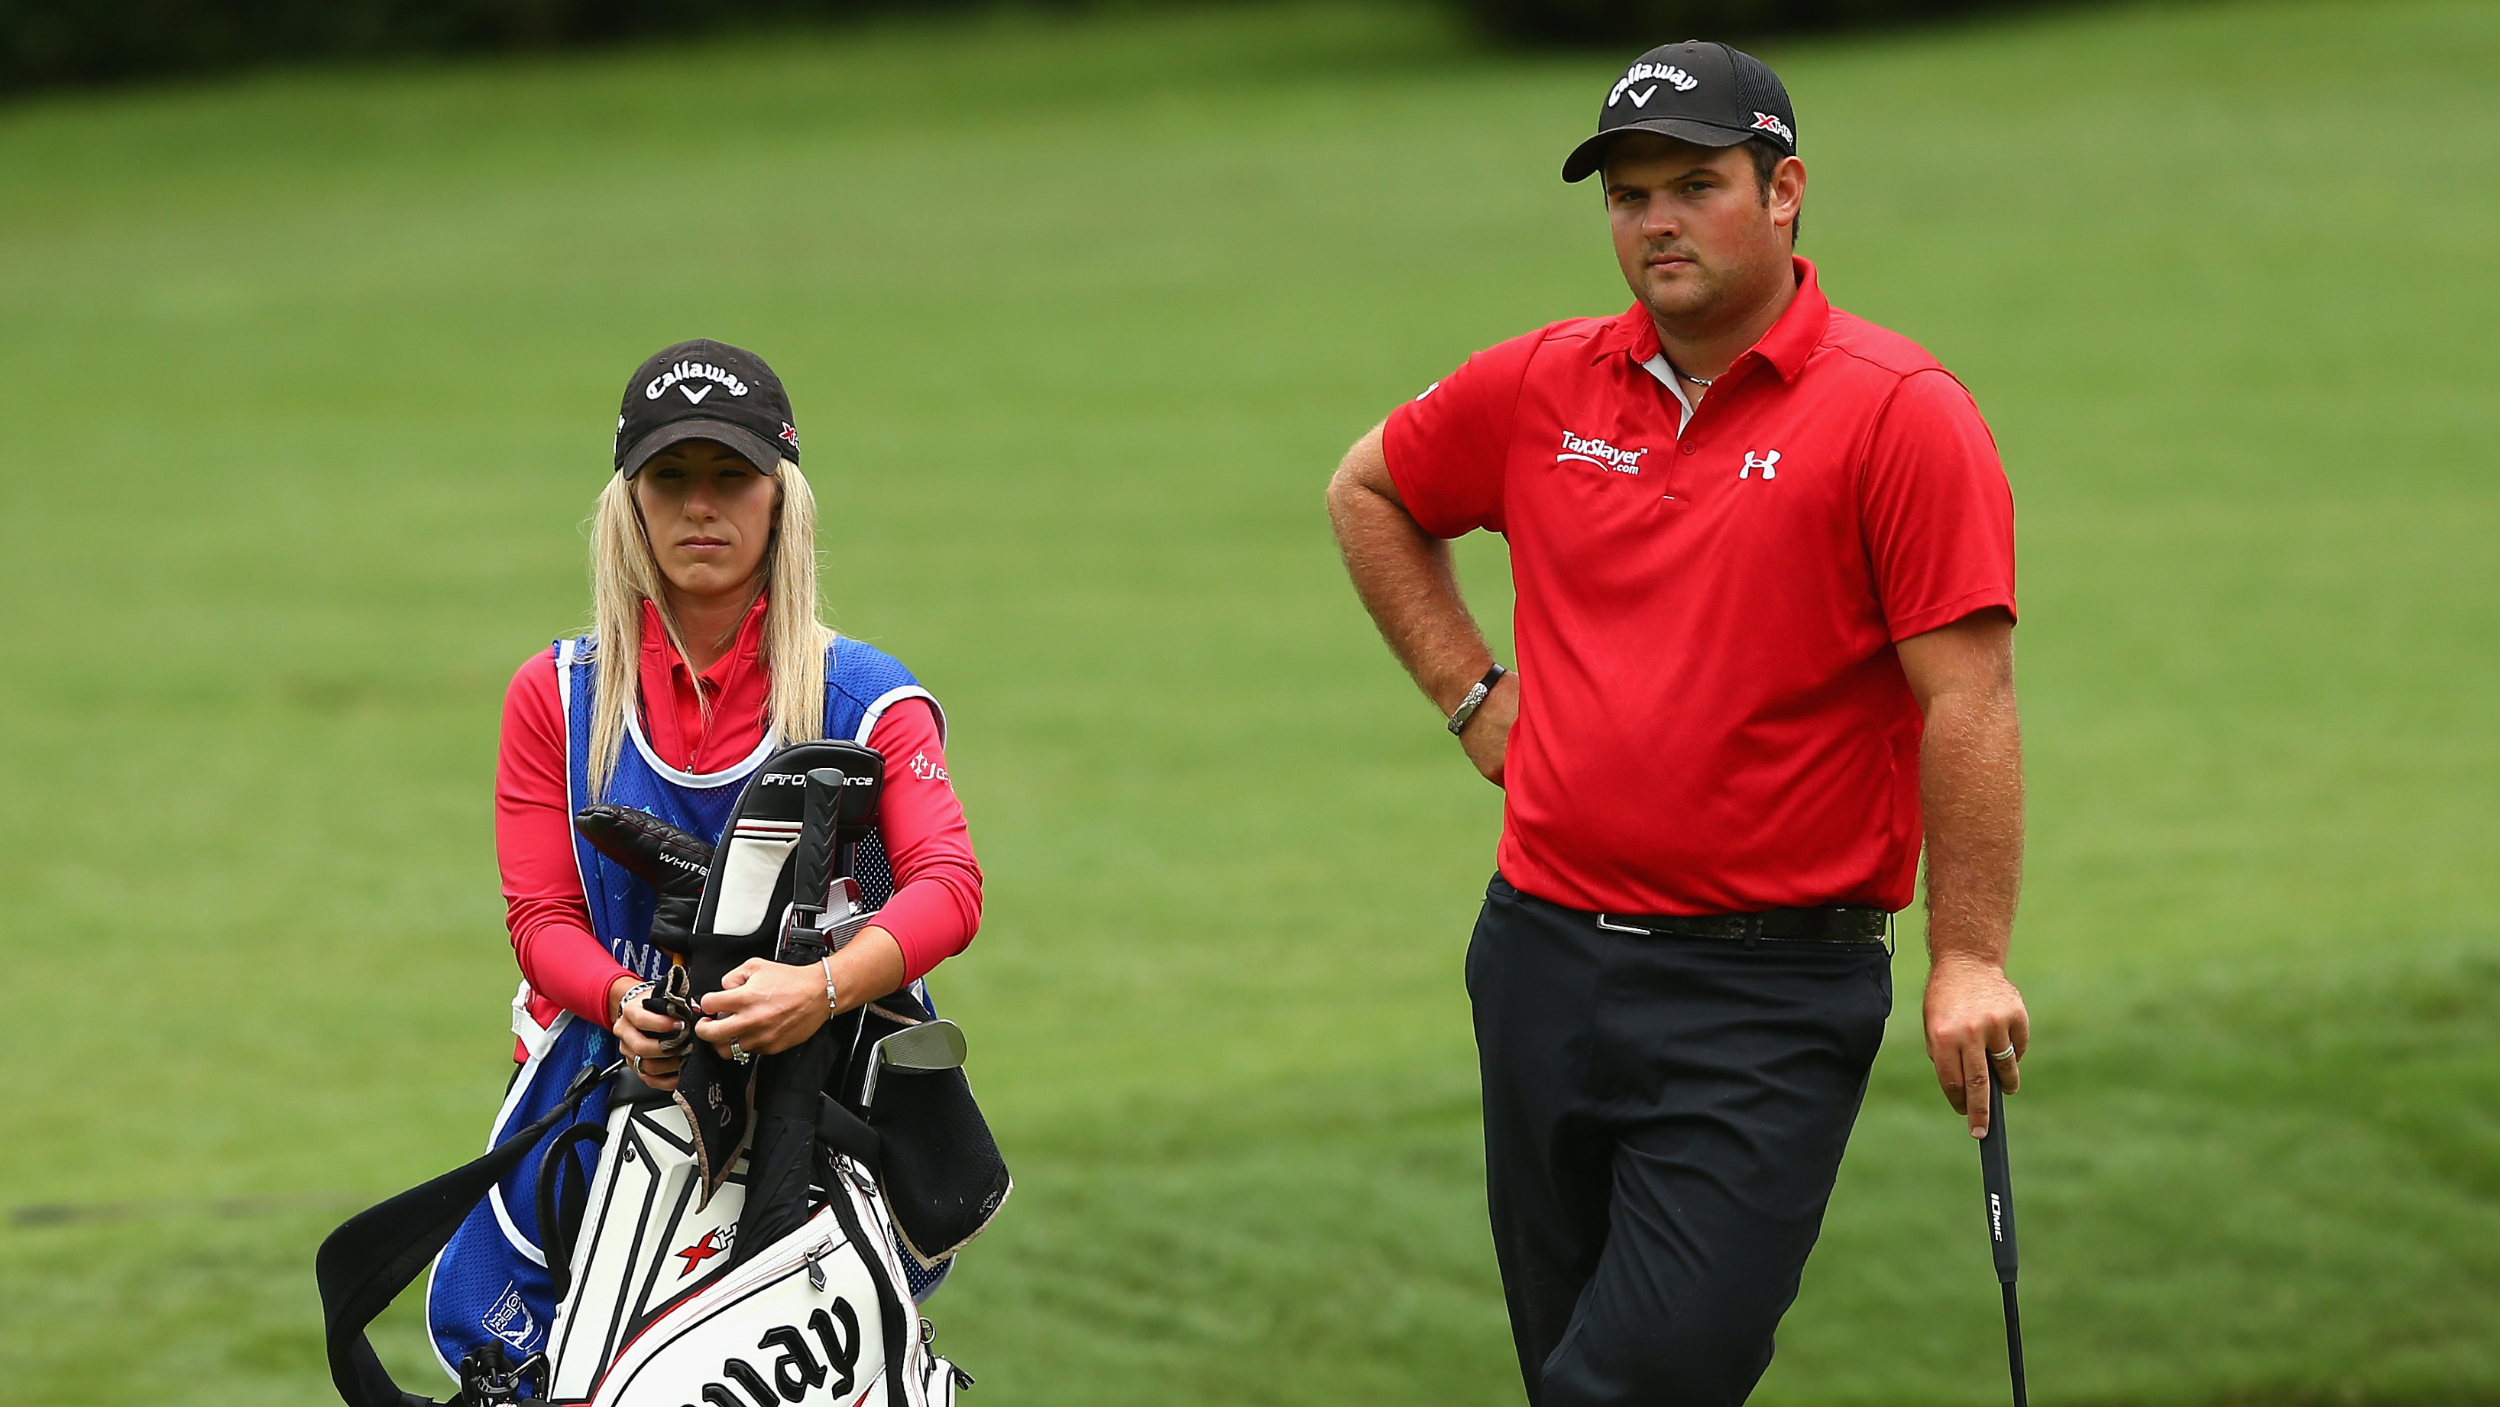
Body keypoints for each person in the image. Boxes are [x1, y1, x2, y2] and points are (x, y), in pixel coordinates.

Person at [1325, 42, 2028, 1407]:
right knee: (1569, 1369)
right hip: (1540, 958)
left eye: (1695, 185)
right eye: (1630, 194)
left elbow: (1970, 695)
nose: (1656, 221)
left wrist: (1971, 955)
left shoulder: (1899, 414)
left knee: (1634, 1382)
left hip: (1765, 995)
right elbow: (1369, 489)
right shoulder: (1544, 383)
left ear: (1785, 193)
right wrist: (1476, 696)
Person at [424, 338, 983, 1376]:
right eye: (668, 479)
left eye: (731, 477)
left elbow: (948, 889)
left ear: (781, 499)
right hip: (602, 1081)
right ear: (628, 503)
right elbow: (542, 920)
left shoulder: (864, 695)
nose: (700, 508)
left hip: (821, 1103)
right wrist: (622, 1003)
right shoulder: (554, 694)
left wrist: (818, 987)